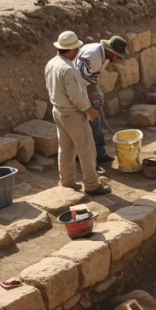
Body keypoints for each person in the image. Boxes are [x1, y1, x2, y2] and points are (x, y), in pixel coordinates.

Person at [45, 31, 110, 195]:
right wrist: (89, 110)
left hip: (58, 111)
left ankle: (67, 181)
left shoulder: (52, 63)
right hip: (73, 114)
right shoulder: (68, 70)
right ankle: (92, 184)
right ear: (72, 49)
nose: (79, 51)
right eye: (77, 49)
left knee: (65, 148)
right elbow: (76, 97)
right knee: (86, 149)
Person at [74, 36, 130, 165]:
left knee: (95, 118)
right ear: (112, 52)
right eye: (119, 56)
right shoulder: (92, 55)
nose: (120, 59)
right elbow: (78, 78)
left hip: (86, 87)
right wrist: (91, 96)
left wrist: (96, 92)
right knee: (87, 120)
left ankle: (98, 152)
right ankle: (84, 155)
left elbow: (93, 76)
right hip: (77, 90)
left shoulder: (103, 55)